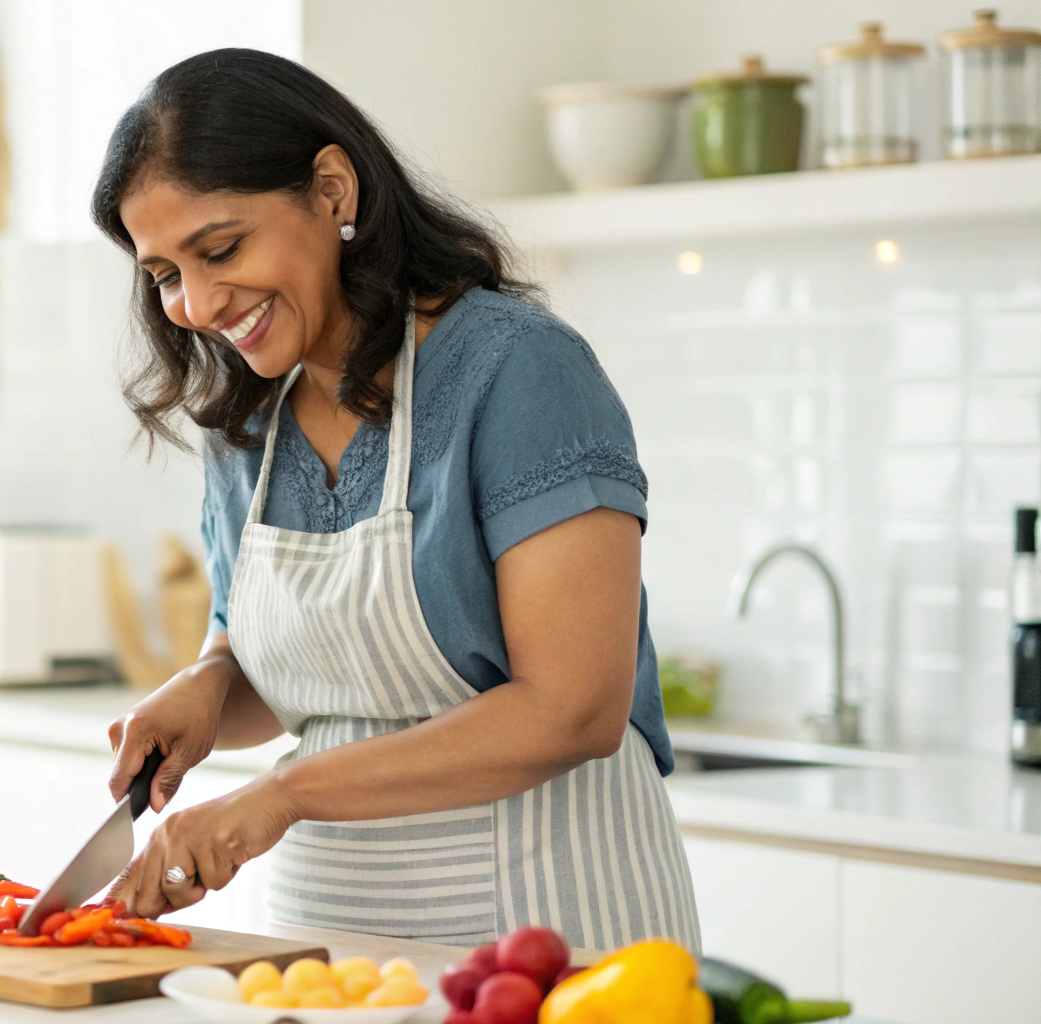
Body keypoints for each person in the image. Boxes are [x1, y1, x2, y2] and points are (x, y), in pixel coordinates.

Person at [91, 48, 698, 951]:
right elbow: (294, 663)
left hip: (551, 934)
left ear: (333, 190)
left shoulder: (518, 371)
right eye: (166, 275)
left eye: (219, 249)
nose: (198, 303)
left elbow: (573, 706)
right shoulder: (245, 425)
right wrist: (209, 686)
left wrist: (286, 792)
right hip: (331, 947)